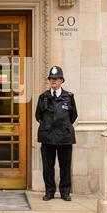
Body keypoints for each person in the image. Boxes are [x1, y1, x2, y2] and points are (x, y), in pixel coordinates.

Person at [35, 66, 78, 201]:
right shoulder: (43, 97)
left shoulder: (69, 97)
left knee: (65, 166)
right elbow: (38, 116)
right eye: (51, 79)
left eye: (56, 78)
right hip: (47, 137)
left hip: (64, 137)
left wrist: (62, 126)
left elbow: (73, 116)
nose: (53, 81)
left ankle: (65, 192)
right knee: (48, 167)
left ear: (61, 80)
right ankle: (50, 191)